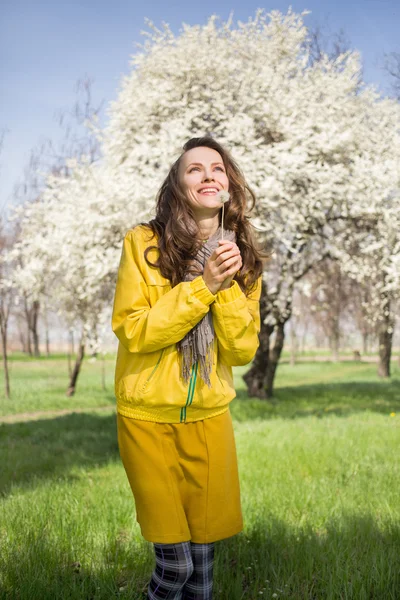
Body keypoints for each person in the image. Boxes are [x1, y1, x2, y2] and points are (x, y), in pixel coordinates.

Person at [112, 136, 267, 599]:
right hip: (148, 420)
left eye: (217, 169)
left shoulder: (244, 261)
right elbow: (135, 330)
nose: (207, 175)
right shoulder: (143, 243)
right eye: (194, 169)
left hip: (209, 421)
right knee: (175, 566)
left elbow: (241, 351)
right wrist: (203, 287)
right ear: (177, 186)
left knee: (202, 572)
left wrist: (229, 286)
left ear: (229, 185)